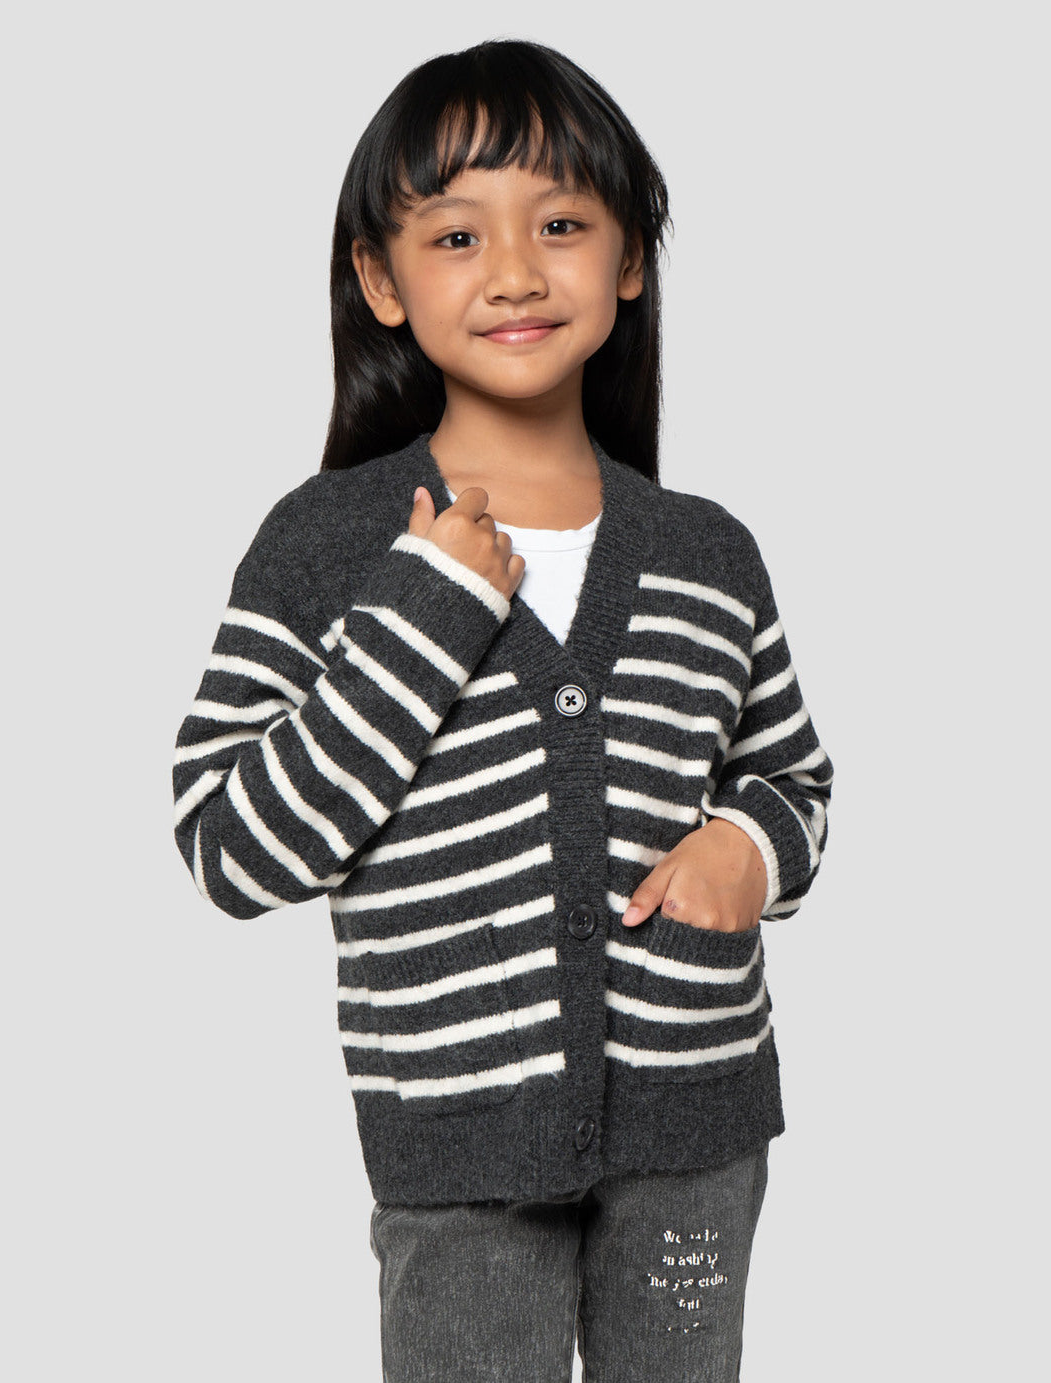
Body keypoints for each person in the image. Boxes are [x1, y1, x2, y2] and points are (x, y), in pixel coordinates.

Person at [171, 37, 834, 1382]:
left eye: (564, 225)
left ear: (631, 256)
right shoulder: (329, 545)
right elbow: (229, 849)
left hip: (696, 1132)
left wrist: (751, 852)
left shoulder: (708, 553)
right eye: (459, 234)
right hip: (457, 1150)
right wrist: (426, 613)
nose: (518, 272)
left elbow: (797, 783)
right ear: (381, 279)